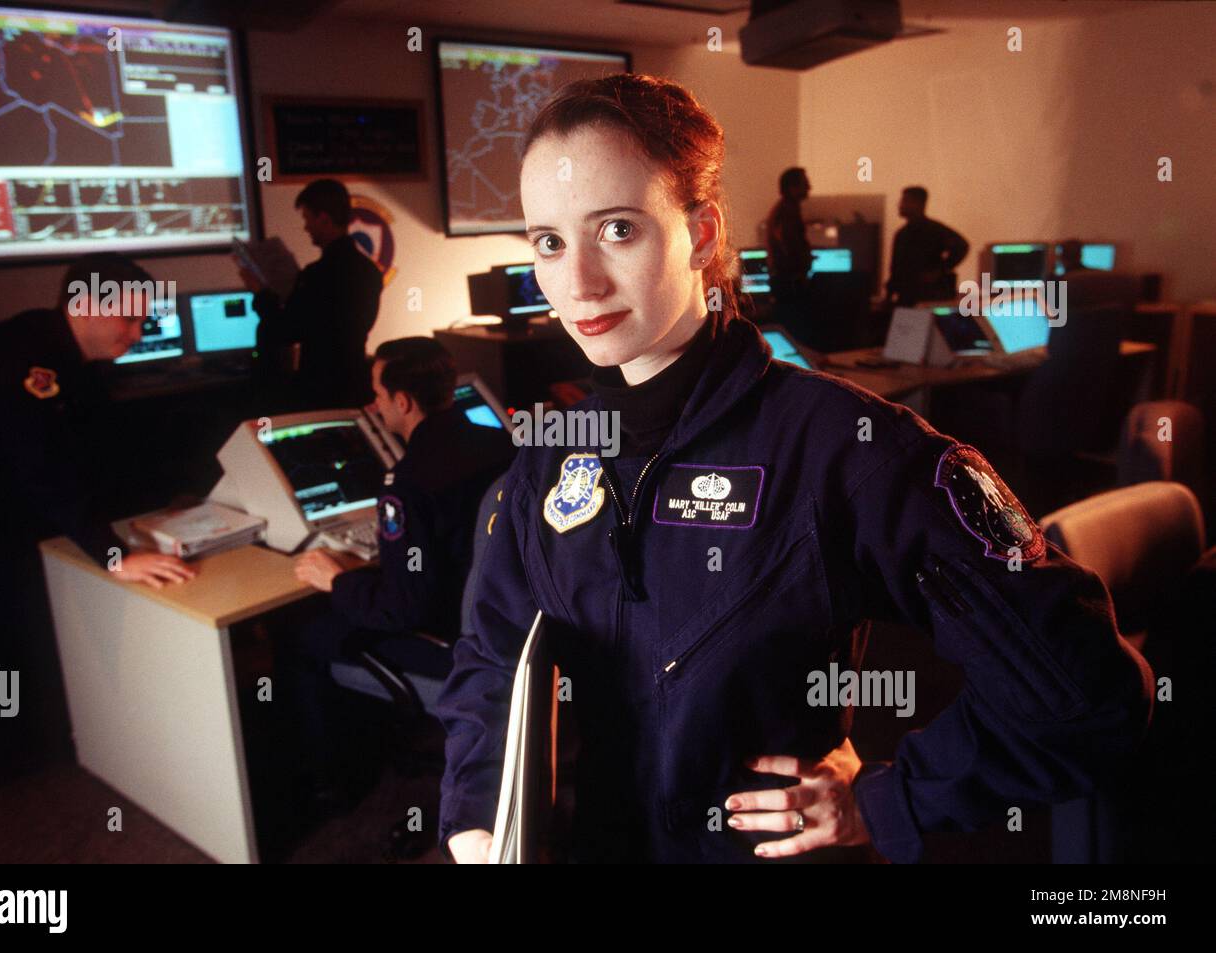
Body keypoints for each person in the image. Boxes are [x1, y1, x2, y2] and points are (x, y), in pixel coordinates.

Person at [436, 74, 1154, 864]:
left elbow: (1084, 691)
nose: (577, 283)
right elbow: (490, 657)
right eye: (549, 241)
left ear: (702, 234)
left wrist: (887, 798)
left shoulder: (842, 444)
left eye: (617, 230)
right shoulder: (547, 454)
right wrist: (479, 825)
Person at [0, 253, 196, 807]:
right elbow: (41, 470)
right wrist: (115, 556)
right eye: (131, 320)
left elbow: (95, 455)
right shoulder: (28, 362)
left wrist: (159, 507)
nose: (139, 333)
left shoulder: (68, 358)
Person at [280, 337, 514, 801]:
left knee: (304, 637)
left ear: (402, 402)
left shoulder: (408, 484)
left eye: (378, 394)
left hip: (454, 645)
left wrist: (338, 578)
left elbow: (400, 610)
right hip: (508, 629)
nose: (374, 404)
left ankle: (336, 790)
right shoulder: (501, 445)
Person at [241, 178, 384, 410]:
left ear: (324, 219)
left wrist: (261, 294)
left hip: (319, 390)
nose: (305, 227)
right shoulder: (369, 270)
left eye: (307, 218)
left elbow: (286, 331)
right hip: (356, 384)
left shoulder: (317, 275)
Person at [886, 186, 969, 307]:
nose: (900, 205)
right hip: (909, 297)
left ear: (918, 204)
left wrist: (940, 271)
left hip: (928, 297)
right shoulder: (902, 234)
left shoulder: (933, 231)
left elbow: (961, 246)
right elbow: (895, 269)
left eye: (905, 201)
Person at [764, 166, 812, 318]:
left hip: (787, 283)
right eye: (805, 183)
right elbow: (791, 248)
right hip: (790, 286)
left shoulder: (786, 210)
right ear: (792, 188)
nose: (810, 187)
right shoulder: (787, 213)